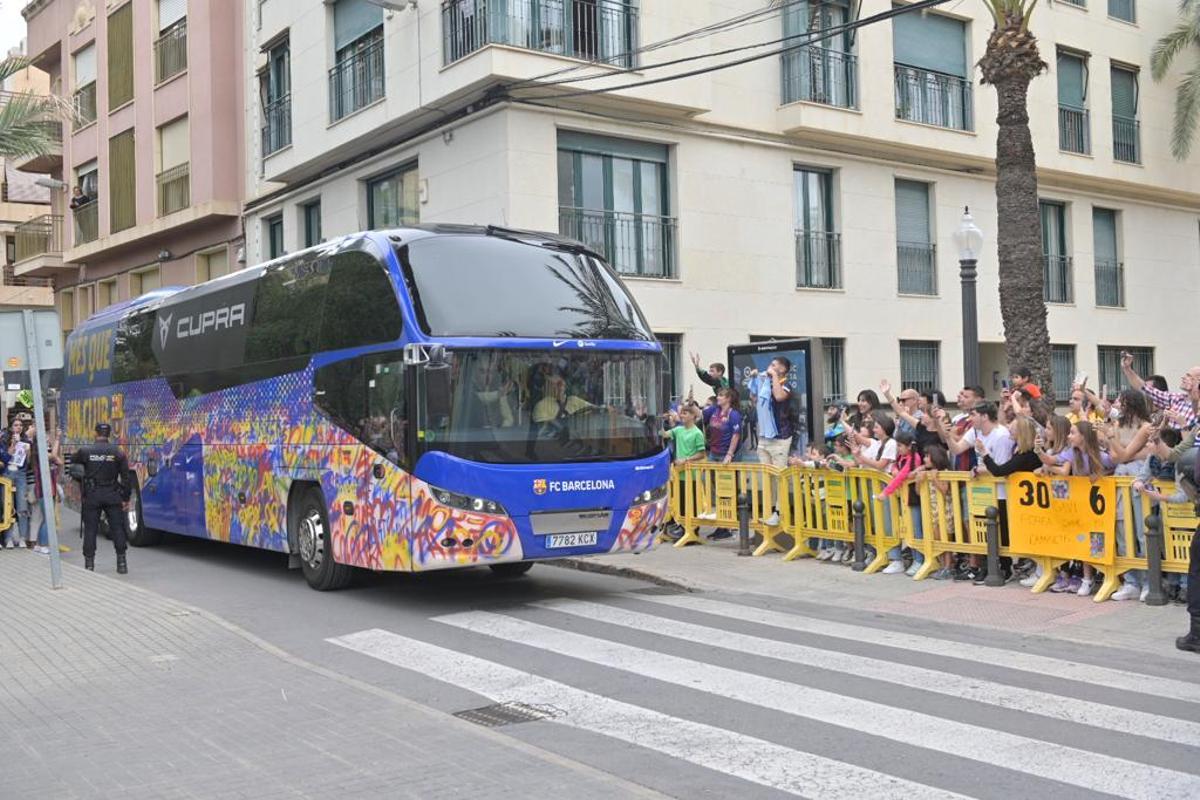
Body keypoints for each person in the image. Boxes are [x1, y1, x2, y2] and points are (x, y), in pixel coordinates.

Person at [69, 422, 132, 573]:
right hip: (112, 494)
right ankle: (122, 563)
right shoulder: (118, 452)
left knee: (90, 530)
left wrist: (81, 482)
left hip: (92, 494)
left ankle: (89, 564)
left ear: (95, 433)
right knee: (118, 529)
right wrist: (125, 498)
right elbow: (126, 478)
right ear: (109, 434)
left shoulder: (85, 451)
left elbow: (73, 465)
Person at [744, 356, 794, 527]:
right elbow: (754, 399)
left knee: (780, 477)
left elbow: (779, 397)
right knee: (767, 477)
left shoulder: (786, 384)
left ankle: (779, 512)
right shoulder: (766, 383)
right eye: (770, 365)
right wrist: (754, 380)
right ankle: (769, 511)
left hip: (780, 438)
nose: (769, 367)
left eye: (774, 365)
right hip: (764, 437)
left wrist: (772, 377)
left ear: (783, 369)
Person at [699, 388, 742, 540]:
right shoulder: (714, 410)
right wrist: (690, 404)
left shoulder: (733, 414)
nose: (718, 397)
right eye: (718, 395)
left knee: (726, 489)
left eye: (721, 396)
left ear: (729, 399)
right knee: (706, 480)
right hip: (713, 453)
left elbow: (736, 435)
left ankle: (727, 525)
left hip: (724, 454)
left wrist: (730, 454)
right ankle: (719, 516)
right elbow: (698, 414)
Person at [1120, 351, 1200, 430]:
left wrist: (1183, 425)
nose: (1183, 377)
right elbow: (1143, 388)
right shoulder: (1177, 398)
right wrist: (1127, 369)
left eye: (1189, 376)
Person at [661, 405, 707, 542]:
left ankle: (693, 531)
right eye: (681, 413)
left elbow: (702, 453)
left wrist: (686, 459)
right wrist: (660, 421)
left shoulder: (697, 433)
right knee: (681, 502)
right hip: (679, 475)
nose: (682, 416)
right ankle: (683, 528)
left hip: (692, 475)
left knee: (693, 503)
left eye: (685, 413)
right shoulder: (678, 430)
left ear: (693, 416)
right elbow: (663, 434)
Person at [0, 417, 32, 548]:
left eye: (20, 425)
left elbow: (28, 462)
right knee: (7, 506)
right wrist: (13, 444)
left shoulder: (26, 441)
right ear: (10, 427)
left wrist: (28, 451)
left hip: (20, 474)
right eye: (16, 425)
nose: (18, 427)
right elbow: (5, 458)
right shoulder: (4, 440)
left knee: (22, 506)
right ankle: (8, 538)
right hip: (7, 474)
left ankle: (22, 537)